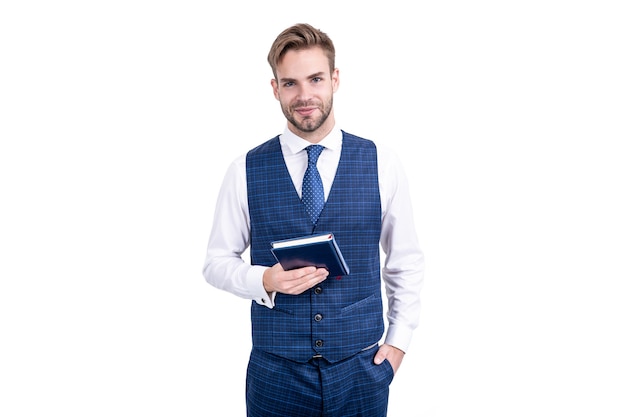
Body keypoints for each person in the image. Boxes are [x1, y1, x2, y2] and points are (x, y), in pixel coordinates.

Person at [203, 23, 424, 417]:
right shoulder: (244, 170)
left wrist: (399, 343)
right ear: (275, 89)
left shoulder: (382, 163)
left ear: (335, 79)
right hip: (274, 374)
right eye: (290, 83)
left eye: (316, 79)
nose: (304, 95)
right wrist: (264, 280)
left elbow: (404, 261)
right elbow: (216, 262)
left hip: (362, 371)